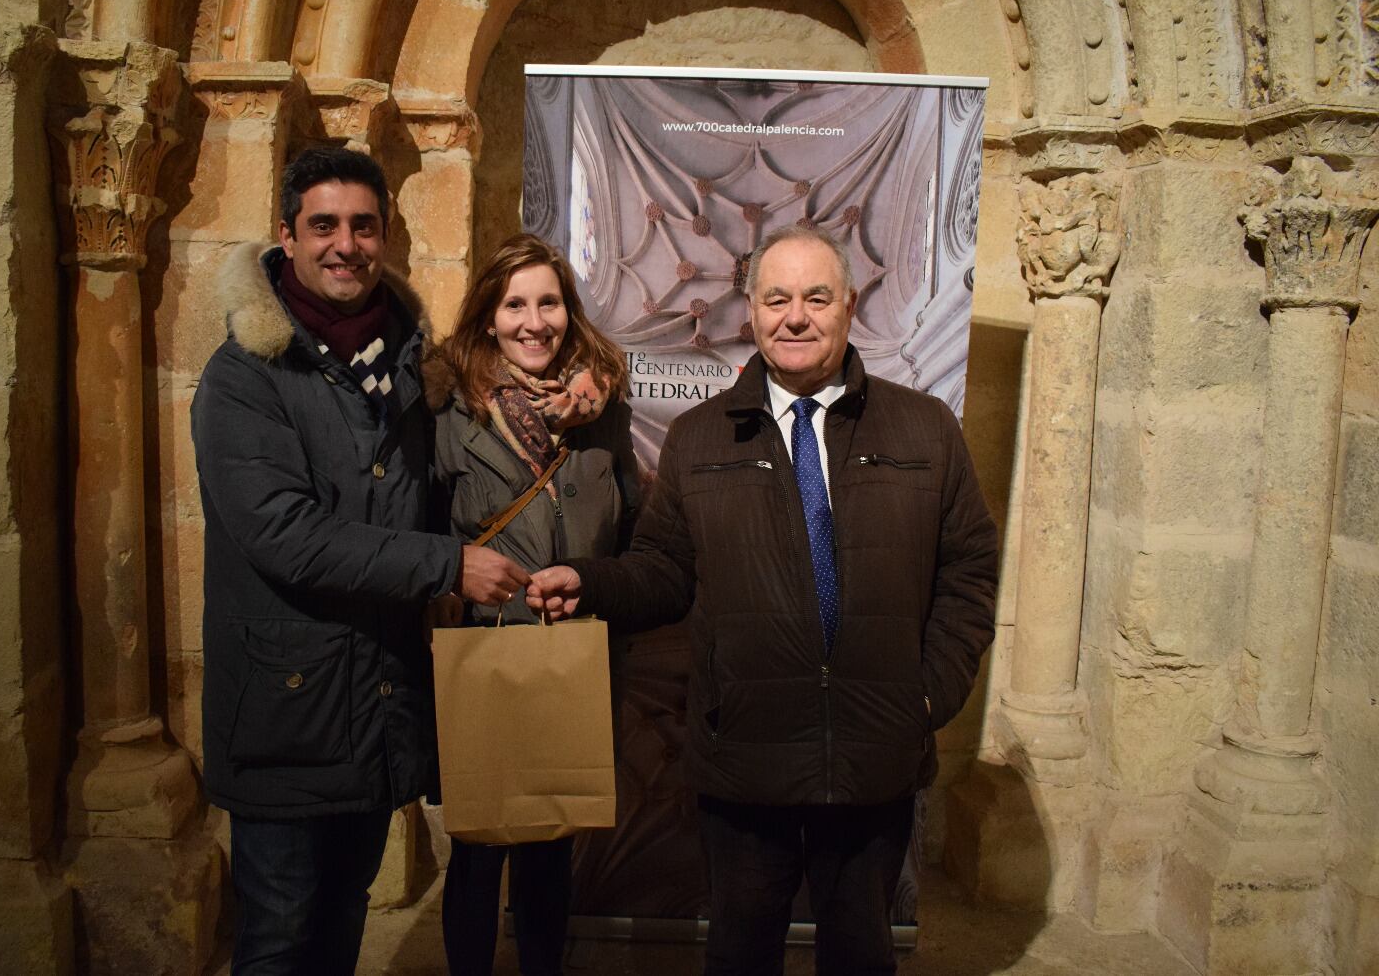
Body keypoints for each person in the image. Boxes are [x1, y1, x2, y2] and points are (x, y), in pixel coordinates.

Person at [527, 224, 997, 976]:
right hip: (746, 760)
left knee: (861, 957)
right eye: (776, 299)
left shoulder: (925, 428)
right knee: (740, 955)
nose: (796, 316)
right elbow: (663, 571)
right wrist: (592, 581)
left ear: (850, 305)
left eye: (817, 297)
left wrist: (925, 695)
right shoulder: (698, 437)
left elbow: (970, 570)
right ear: (750, 313)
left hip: (874, 757)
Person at [191, 146, 530, 976]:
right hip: (289, 708)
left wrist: (572, 393)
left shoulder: (412, 365)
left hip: (377, 705)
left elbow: (475, 435)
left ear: (386, 236)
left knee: (341, 920)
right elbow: (283, 533)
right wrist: (447, 566)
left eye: (364, 225)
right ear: (287, 235)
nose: (345, 244)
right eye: (324, 225)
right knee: (278, 935)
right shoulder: (244, 376)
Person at [431, 233, 639, 976]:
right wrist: (455, 574)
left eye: (548, 302)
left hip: (571, 654)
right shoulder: (449, 411)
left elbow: (632, 528)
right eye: (515, 304)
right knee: (481, 849)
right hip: (486, 654)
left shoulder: (602, 406)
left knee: (552, 849)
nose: (534, 321)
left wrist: (589, 577)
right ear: (488, 316)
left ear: (567, 310)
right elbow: (419, 533)